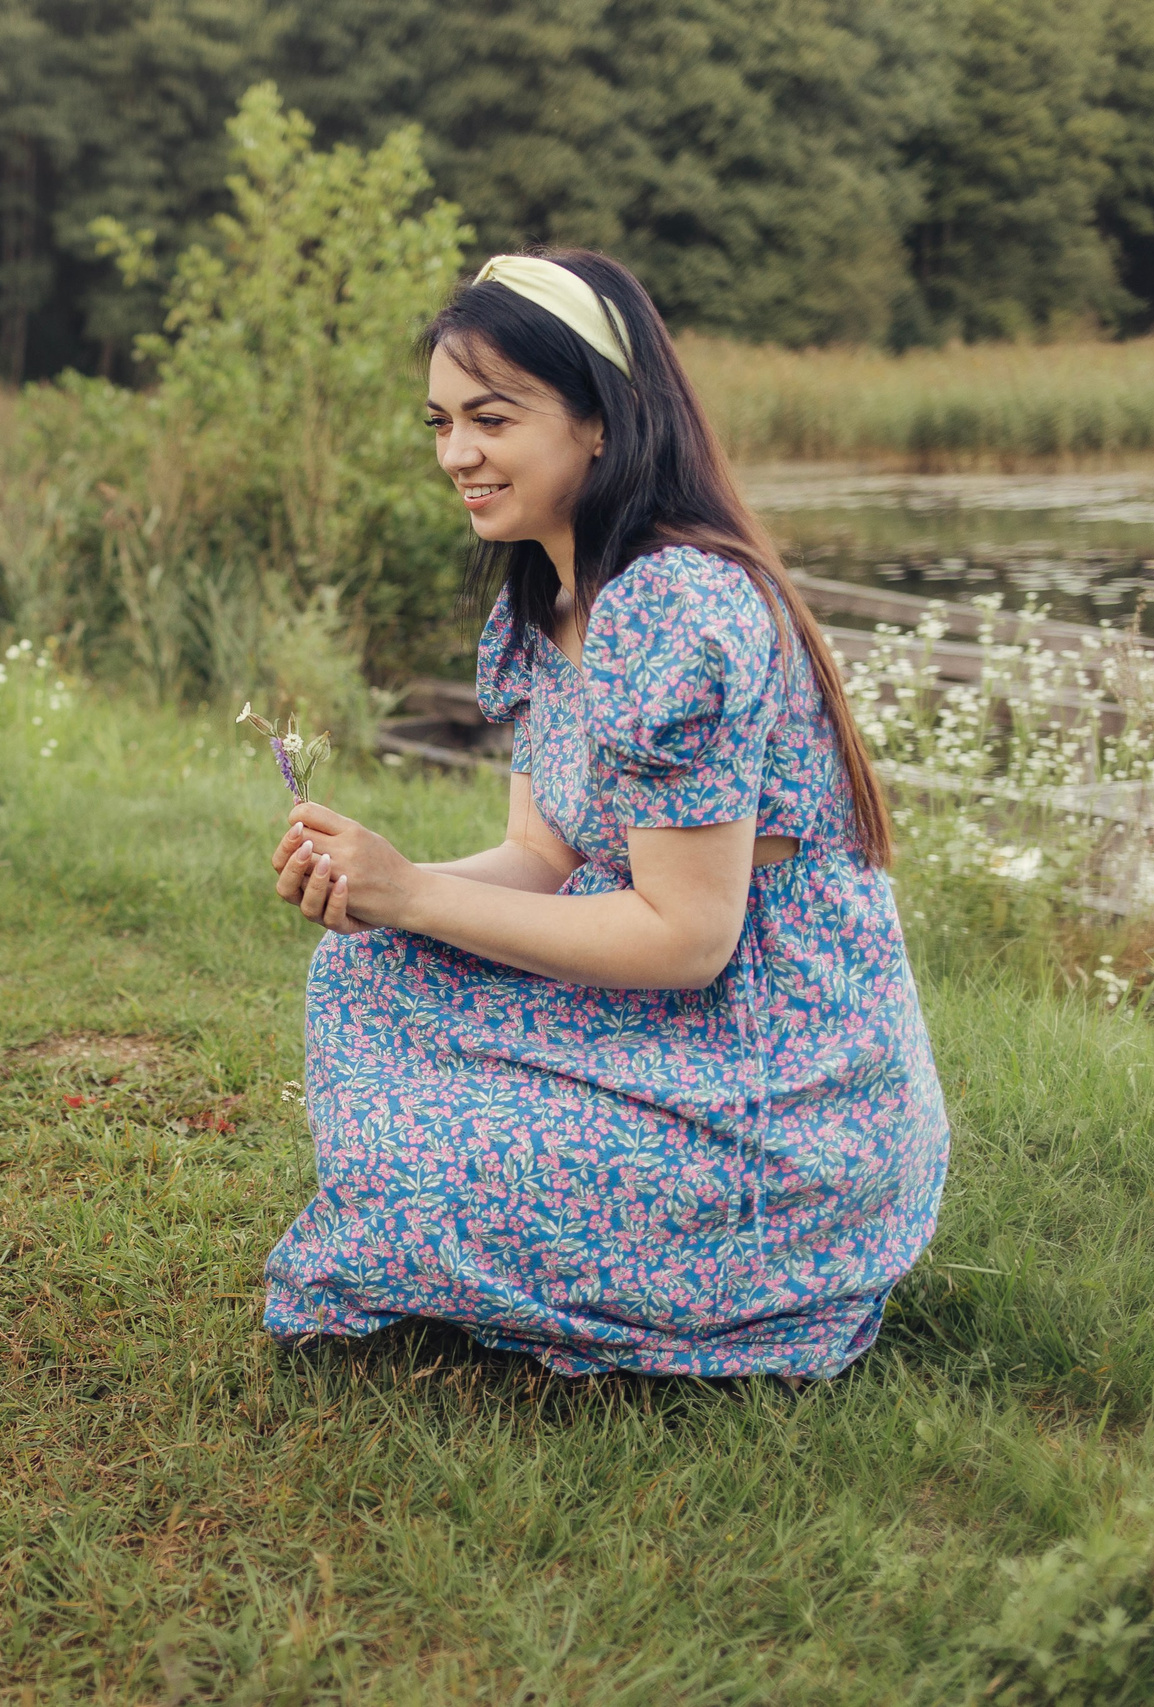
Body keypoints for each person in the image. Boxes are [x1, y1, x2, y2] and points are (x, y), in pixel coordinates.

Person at [262, 251, 948, 1379]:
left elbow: (688, 939)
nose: (456, 453)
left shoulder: (677, 605)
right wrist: (377, 885)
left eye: (492, 418)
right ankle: (474, 1227)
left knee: (446, 1164)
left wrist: (418, 893)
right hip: (671, 1028)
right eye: (440, 422)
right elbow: (543, 854)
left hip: (772, 1086)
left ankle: (729, 1265)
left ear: (600, 422)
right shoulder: (554, 597)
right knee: (369, 968)